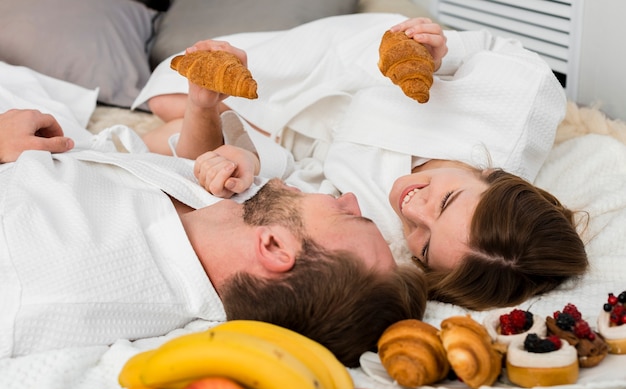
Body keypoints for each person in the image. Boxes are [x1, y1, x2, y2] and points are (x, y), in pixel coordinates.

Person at [135, 14, 589, 311]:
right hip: (351, 63)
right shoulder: (519, 105)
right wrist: (440, 53)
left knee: (172, 121)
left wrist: (250, 159)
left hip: (311, 128)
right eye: (445, 202)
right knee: (164, 92)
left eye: (425, 244)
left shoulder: (386, 232)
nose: (411, 209)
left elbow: (305, 182)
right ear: (492, 175)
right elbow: (499, 48)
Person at [0, 103, 427, 367]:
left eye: (351, 218)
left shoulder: (40, 285)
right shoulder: (225, 214)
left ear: (275, 247)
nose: (349, 198)